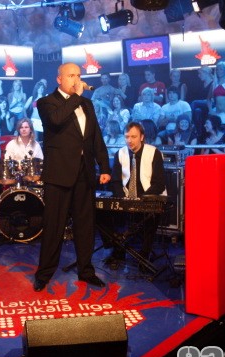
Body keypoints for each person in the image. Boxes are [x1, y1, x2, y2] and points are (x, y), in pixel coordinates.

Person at [33, 62, 111, 292]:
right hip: (59, 174)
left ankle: (86, 271)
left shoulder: (87, 104)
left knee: (85, 226)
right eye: (70, 76)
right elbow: (57, 120)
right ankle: (44, 274)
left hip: (84, 173)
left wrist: (104, 167)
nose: (76, 80)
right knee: (54, 226)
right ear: (59, 79)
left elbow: (95, 137)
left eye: (78, 75)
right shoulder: (47, 102)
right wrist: (76, 96)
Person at [103, 122, 167, 268]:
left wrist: (141, 199)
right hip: (127, 198)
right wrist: (123, 200)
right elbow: (116, 181)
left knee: (149, 218)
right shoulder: (120, 153)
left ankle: (144, 256)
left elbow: (159, 184)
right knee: (104, 214)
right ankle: (118, 250)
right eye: (127, 137)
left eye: (133, 137)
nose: (129, 140)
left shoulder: (154, 152)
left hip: (149, 197)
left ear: (142, 137)